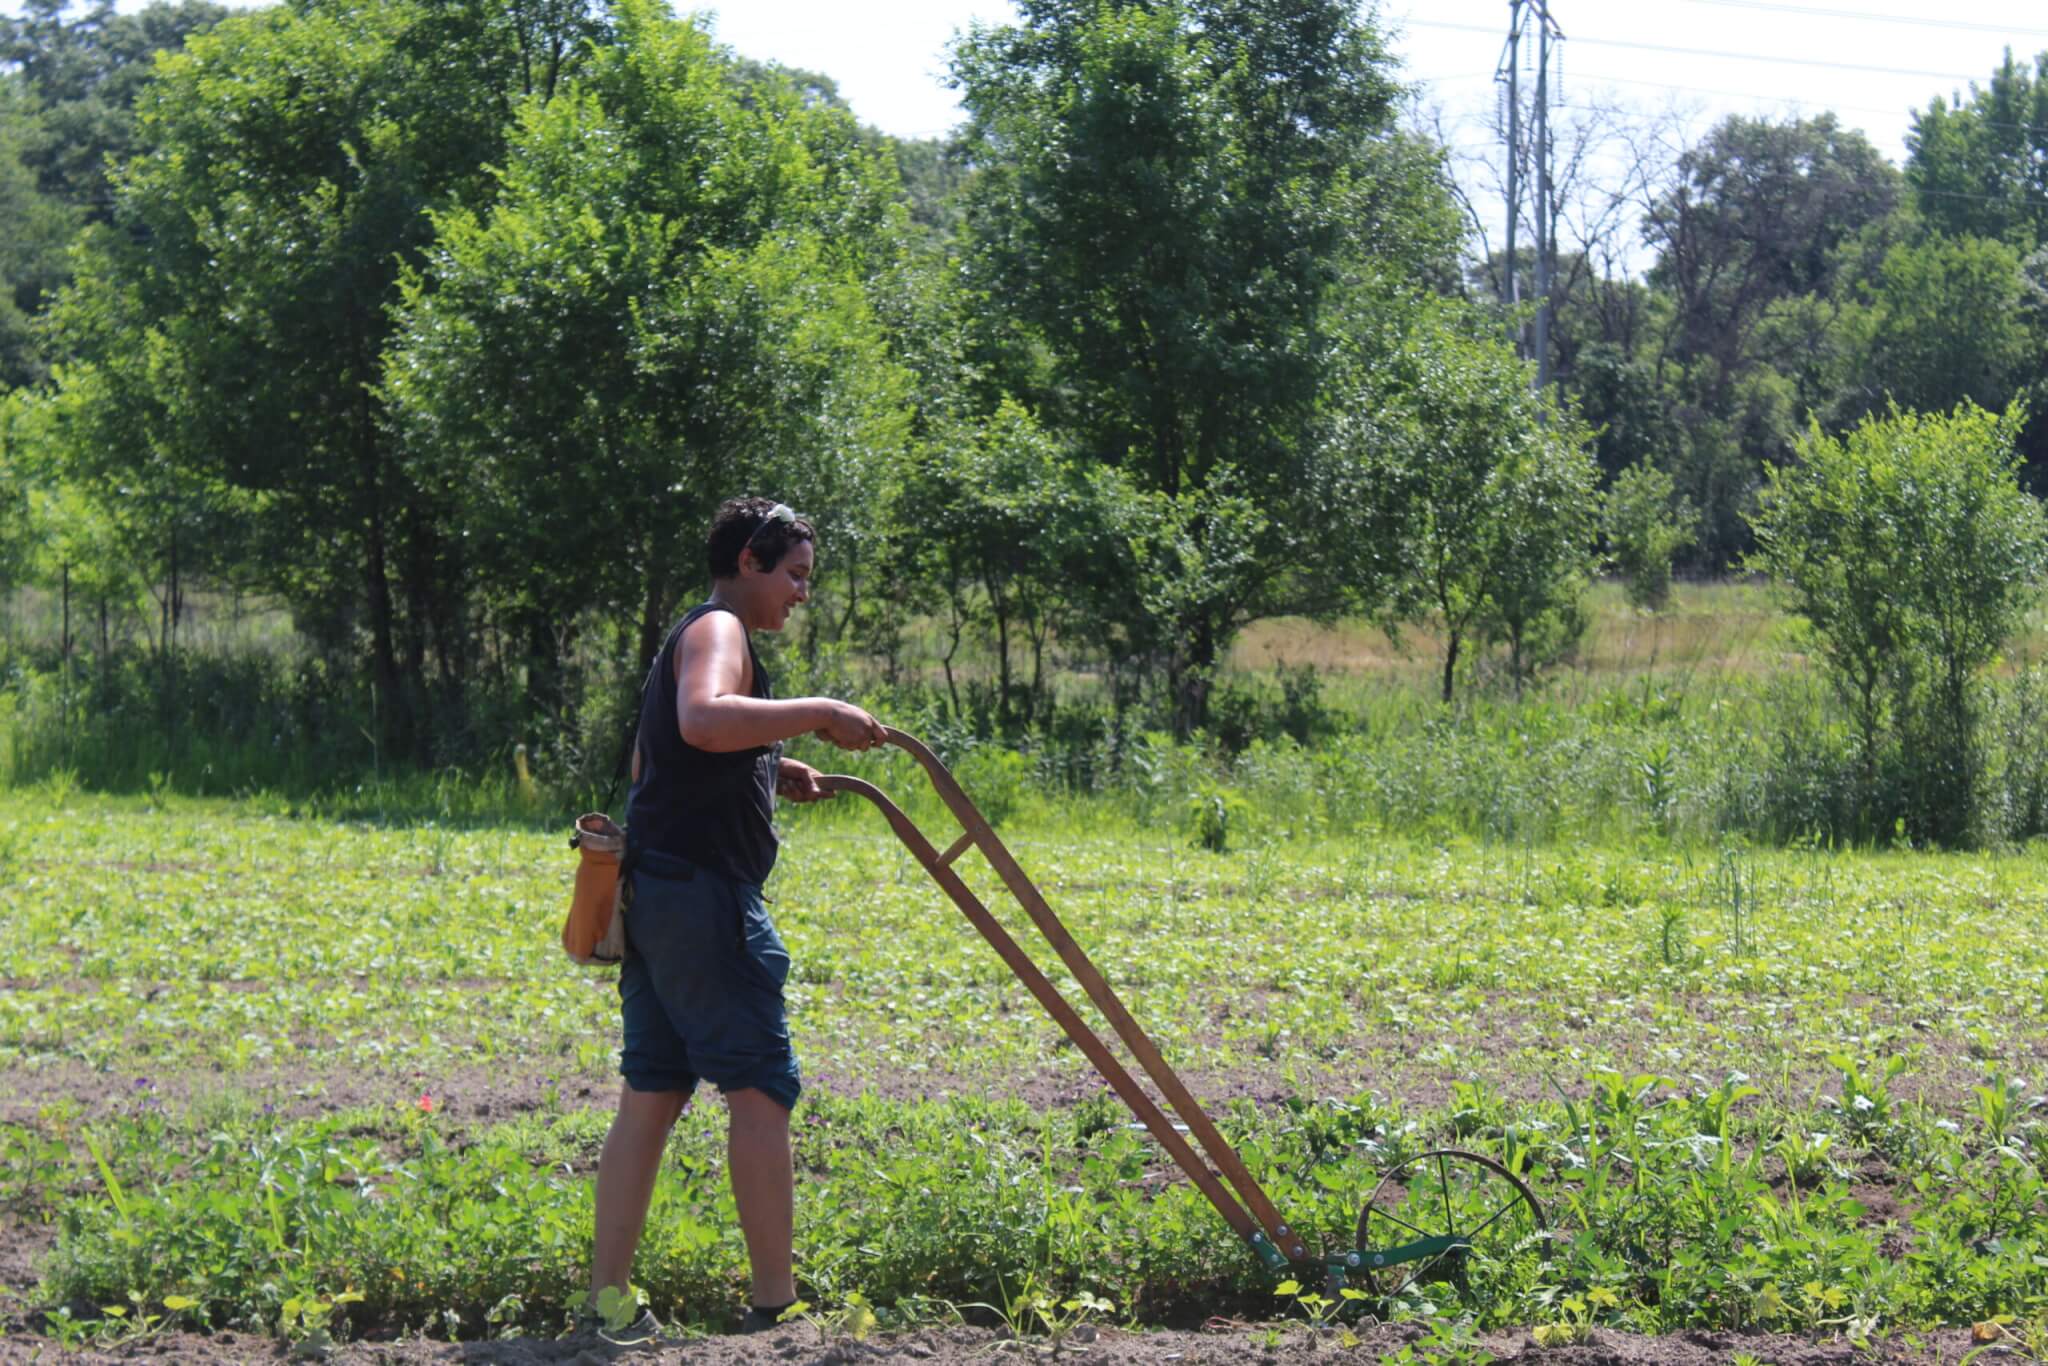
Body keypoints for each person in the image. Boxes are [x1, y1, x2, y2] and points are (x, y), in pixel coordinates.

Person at [584, 496, 885, 1337]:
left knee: (653, 1092)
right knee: (760, 1090)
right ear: (750, 560)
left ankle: (609, 1307)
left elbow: (662, 756)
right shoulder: (720, 631)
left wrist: (770, 761)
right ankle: (775, 1310)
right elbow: (703, 721)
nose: (801, 593)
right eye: (794, 574)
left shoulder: (688, 634)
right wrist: (820, 713)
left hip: (657, 896)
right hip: (705, 902)